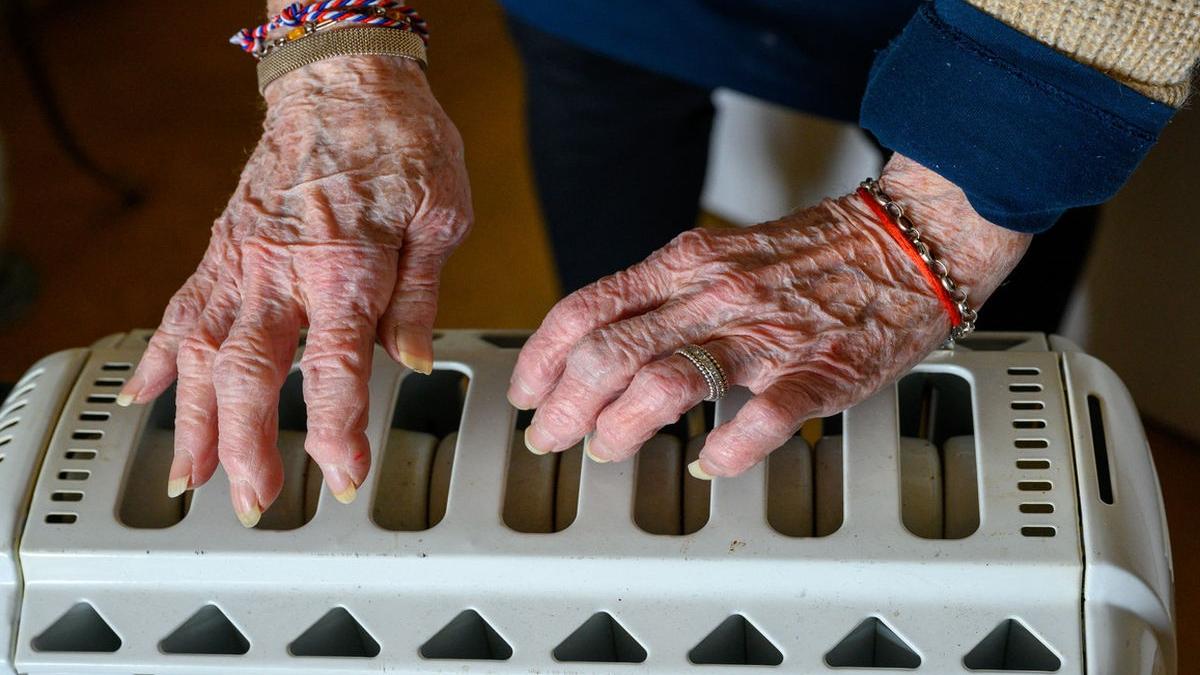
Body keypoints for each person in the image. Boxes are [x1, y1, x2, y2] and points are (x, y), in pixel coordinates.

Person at [117, 0, 1199, 527]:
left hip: (981, 20)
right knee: (616, 329)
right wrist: (336, 45)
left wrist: (954, 201)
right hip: (602, 9)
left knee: (950, 376)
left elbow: (971, 202)